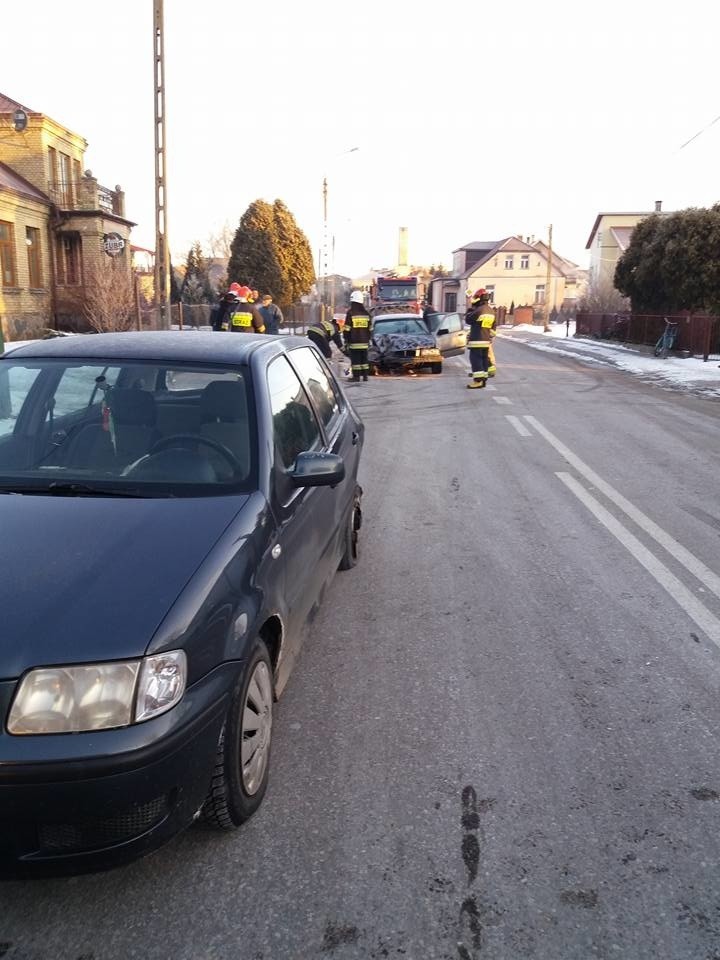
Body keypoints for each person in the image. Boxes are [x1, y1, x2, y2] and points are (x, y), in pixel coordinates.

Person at [465, 289, 496, 389]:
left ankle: (478, 381)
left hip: (476, 341)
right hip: (486, 341)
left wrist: (470, 309)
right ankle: (483, 380)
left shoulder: (479, 310)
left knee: (476, 360)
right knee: (483, 360)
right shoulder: (491, 311)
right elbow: (493, 329)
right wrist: (488, 337)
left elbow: (468, 320)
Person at [344, 291, 372, 382]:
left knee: (356, 360)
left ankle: (356, 377)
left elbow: (347, 329)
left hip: (354, 342)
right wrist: (369, 339)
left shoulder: (351, 313)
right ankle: (365, 376)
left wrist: (346, 339)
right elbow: (371, 329)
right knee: (364, 360)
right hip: (365, 342)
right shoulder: (366, 314)